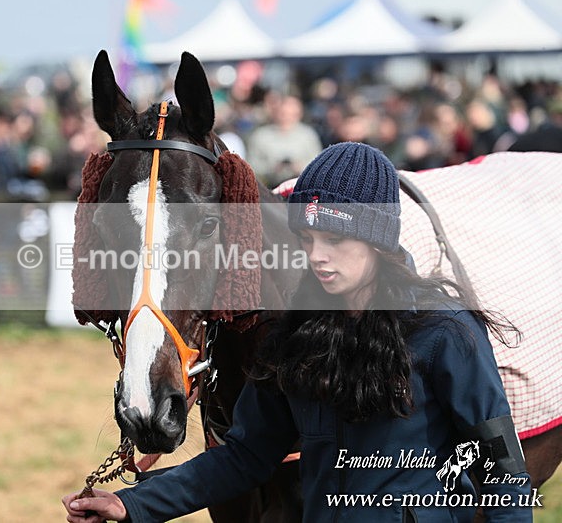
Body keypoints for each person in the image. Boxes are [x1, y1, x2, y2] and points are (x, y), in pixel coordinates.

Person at [62, 142, 530, 522]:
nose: (317, 255)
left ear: (378, 240)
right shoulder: (294, 336)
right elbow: (243, 456)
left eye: (335, 239)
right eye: (307, 240)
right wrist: (134, 503)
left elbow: (504, 471)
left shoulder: (445, 331)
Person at [246, 94, 323, 186]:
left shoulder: (308, 136)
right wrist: (271, 169)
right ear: (276, 112)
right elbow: (251, 165)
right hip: (270, 188)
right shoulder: (261, 136)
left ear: (299, 114)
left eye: (291, 114)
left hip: (301, 186)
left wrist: (300, 167)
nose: (286, 117)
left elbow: (319, 163)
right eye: (283, 113)